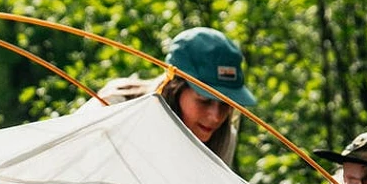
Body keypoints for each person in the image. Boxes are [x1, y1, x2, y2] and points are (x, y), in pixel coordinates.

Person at [94, 26, 255, 166]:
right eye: (204, 100)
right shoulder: (116, 106)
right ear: (174, 86)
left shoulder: (224, 138)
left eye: (225, 104)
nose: (215, 117)